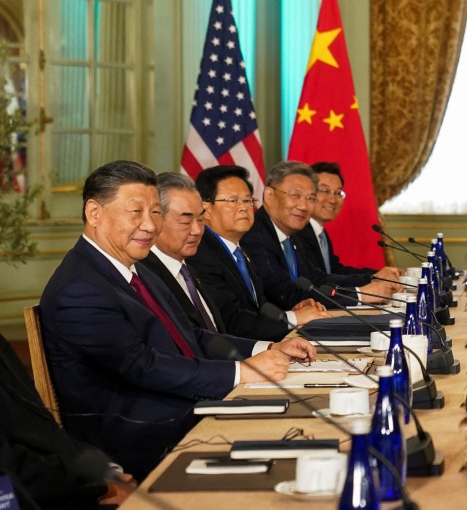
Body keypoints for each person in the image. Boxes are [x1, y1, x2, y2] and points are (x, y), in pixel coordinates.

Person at [39, 160, 316, 478]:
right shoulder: (80, 288)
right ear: (94, 213)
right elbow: (142, 367)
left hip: (181, 407)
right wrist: (240, 372)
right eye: (136, 212)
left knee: (303, 417)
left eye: (155, 212)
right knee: (292, 441)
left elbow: (192, 336)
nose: (149, 225)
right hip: (141, 436)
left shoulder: (137, 269)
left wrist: (266, 349)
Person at [0, 332, 134, 510]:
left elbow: (44, 431)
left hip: (53, 487)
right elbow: (16, 468)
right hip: (28, 508)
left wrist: (104, 473)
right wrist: (100, 487)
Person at [189, 165, 330, 341]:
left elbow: (259, 307)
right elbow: (231, 322)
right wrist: (294, 319)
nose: (243, 208)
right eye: (233, 201)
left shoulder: (240, 251)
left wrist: (290, 312)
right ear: (206, 208)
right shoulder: (200, 254)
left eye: (248, 201)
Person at [241, 161, 401, 309]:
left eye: (310, 198)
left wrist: (371, 280)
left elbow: (317, 279)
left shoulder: (290, 234)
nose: (303, 206)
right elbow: (286, 295)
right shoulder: (255, 235)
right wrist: (361, 294)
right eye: (295, 195)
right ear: (269, 195)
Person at [140, 172, 226, 332]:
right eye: (186, 221)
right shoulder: (144, 277)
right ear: (156, 220)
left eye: (201, 220)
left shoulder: (188, 270)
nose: (197, 230)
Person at [295, 161, 401, 282]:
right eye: (325, 191)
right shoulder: (300, 233)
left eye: (338, 193)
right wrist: (372, 278)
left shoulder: (320, 233)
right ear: (308, 194)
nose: (333, 200)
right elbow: (318, 279)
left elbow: (335, 270)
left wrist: (378, 274)